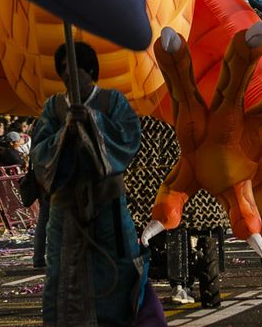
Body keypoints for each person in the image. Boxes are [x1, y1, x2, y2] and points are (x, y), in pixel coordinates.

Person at [30, 41, 164, 326]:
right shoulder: (53, 108)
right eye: (63, 68)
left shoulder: (112, 102)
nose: (69, 73)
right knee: (61, 277)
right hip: (65, 210)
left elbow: (129, 140)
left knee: (119, 270)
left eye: (75, 66)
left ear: (90, 69)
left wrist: (93, 121)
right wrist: (66, 130)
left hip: (108, 207)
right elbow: (39, 156)